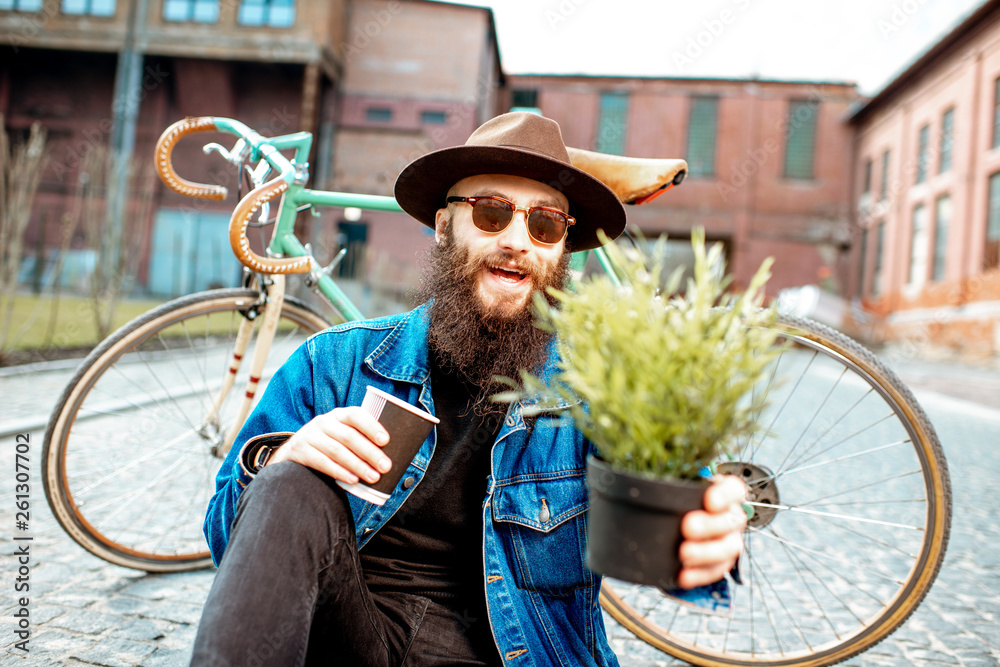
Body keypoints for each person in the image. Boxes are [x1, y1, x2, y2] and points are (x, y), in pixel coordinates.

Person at [191, 112, 747, 667]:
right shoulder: (333, 362)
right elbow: (227, 543)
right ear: (442, 226)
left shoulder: (597, 390)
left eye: (545, 225)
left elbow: (673, 544)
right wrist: (280, 458)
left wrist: (701, 536)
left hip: (510, 657)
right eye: (490, 212)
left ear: (561, 252)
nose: (516, 242)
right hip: (351, 639)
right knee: (288, 480)